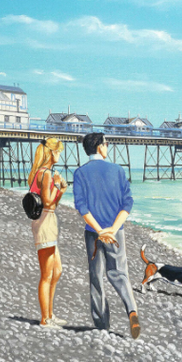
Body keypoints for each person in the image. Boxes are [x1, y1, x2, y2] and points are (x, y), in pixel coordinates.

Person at [72, 132, 140, 339]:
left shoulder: (80, 173)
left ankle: (102, 324)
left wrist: (100, 231)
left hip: (93, 233)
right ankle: (132, 310)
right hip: (115, 232)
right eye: (106, 143)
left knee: (96, 277)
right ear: (100, 147)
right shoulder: (117, 170)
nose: (107, 146)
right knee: (119, 273)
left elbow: (81, 206)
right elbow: (127, 202)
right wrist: (113, 229)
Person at [28, 138, 67, 328]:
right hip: (45, 223)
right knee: (46, 274)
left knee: (56, 271)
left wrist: (61, 190)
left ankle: (50, 314)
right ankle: (45, 319)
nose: (59, 154)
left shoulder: (41, 172)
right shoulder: (46, 174)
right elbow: (48, 202)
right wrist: (57, 185)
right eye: (58, 151)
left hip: (47, 221)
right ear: (51, 152)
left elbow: (52, 204)